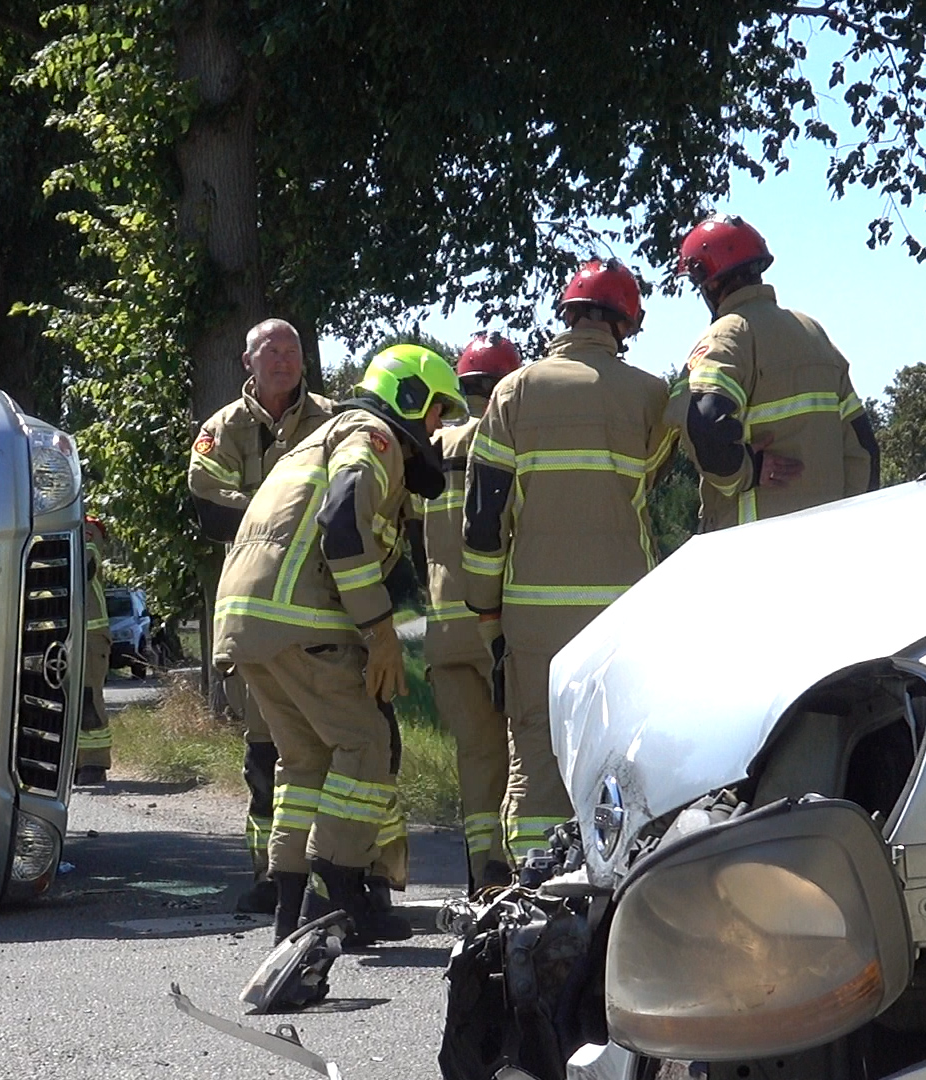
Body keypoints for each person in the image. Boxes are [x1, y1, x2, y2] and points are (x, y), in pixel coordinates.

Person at [214, 343, 467, 947]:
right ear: (410, 397)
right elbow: (343, 525)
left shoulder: (316, 435)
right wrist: (381, 631)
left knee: (304, 764)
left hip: (248, 624)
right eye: (436, 414)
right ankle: (345, 892)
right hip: (302, 620)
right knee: (367, 745)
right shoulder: (369, 433)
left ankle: (290, 918)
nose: (436, 433)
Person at [463, 259, 674, 866]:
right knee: (621, 749)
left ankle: (530, 892)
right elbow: (652, 478)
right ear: (625, 323)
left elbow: (483, 517)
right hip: (623, 615)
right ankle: (614, 879)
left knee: (534, 751)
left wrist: (486, 608)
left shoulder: (514, 390)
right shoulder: (647, 393)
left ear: (567, 315)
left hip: (531, 615)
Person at [186, 317, 334, 913]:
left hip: (325, 606)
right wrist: (284, 510)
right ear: (247, 361)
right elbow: (206, 502)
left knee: (336, 740)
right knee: (265, 749)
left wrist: (257, 507)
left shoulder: (333, 419)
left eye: (293, 350)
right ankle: (272, 875)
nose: (283, 360)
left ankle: (335, 871)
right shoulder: (224, 429)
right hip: (255, 615)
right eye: (271, 351)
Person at [674, 215, 880, 526]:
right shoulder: (813, 331)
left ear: (711, 281)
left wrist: (746, 472)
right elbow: (863, 449)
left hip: (754, 550)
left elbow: (702, 422)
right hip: (831, 544)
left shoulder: (727, 336)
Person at [411, 333, 520, 891]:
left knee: (477, 755)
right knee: (524, 754)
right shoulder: (510, 435)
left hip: (444, 629)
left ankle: (483, 874)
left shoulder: (432, 448)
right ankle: (524, 871)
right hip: (496, 622)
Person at [75, 516, 113, 786]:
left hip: (89, 630)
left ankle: (93, 763)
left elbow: (86, 563)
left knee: (88, 698)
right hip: (57, 629)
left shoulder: (88, 527)